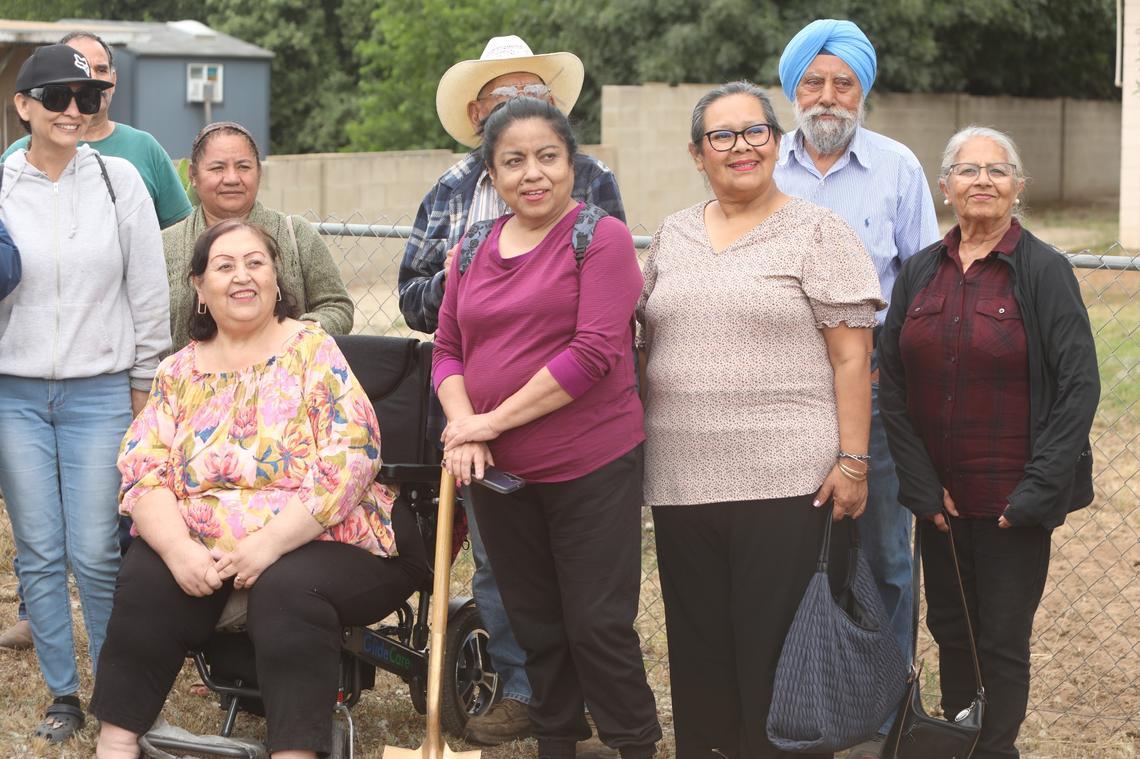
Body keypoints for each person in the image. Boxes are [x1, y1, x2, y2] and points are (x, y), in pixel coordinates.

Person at [91, 219, 429, 759]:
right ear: (199, 288)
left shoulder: (312, 351)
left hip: (329, 540)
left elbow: (350, 459)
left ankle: (294, 750)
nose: (241, 276)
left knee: (286, 587)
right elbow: (142, 470)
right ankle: (117, 742)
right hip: (206, 548)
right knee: (147, 574)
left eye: (255, 263)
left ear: (277, 281)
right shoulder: (177, 372)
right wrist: (179, 550)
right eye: (224, 266)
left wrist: (267, 544)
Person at [637, 81, 884, 759]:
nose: (740, 147)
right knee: (699, 651)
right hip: (683, 481)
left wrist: (854, 461)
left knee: (777, 655)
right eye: (722, 135)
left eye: (755, 132)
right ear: (697, 154)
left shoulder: (817, 231)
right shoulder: (674, 233)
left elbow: (851, 358)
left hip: (789, 482)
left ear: (777, 143)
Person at [398, 34, 626, 746]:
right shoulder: (448, 192)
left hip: (572, 424)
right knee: (505, 573)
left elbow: (601, 307)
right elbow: (417, 297)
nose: (522, 112)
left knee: (587, 592)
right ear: (477, 116)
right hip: (481, 422)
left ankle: (595, 708)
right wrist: (483, 273)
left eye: (534, 96)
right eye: (504, 101)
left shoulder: (588, 181)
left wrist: (522, 277)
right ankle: (528, 694)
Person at [433, 97, 659, 759]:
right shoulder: (472, 245)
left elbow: (594, 353)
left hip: (591, 464)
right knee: (533, 618)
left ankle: (632, 740)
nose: (533, 173)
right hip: (500, 473)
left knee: (596, 621)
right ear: (492, 175)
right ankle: (558, 737)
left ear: (571, 163)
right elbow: (447, 348)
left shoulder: (601, 237)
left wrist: (487, 420)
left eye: (547, 157)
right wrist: (464, 427)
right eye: (514, 161)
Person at [879, 127, 1099, 759]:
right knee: (952, 629)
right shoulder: (921, 271)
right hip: (940, 504)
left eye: (997, 171)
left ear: (1017, 188)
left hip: (1012, 504)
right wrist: (920, 488)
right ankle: (958, 740)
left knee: (1000, 639)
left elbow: (1078, 386)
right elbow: (892, 382)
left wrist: (1035, 493)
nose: (982, 181)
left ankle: (993, 750)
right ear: (945, 187)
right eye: (967, 170)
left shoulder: (1044, 270)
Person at [772, 23, 940, 756]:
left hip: (871, 395)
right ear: (792, 89)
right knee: (784, 550)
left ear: (864, 90)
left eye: (844, 82)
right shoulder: (760, 163)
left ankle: (880, 709)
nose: (829, 96)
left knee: (885, 556)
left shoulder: (898, 168)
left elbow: (924, 287)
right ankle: (794, 691)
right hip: (777, 399)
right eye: (814, 81)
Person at [0, 30, 194, 653]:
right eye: (57, 96)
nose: (73, 111)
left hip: (100, 393)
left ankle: (119, 690)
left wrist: (142, 384)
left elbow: (146, 291)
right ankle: (62, 693)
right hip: (16, 393)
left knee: (95, 549)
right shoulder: (2, 187)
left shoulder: (120, 182)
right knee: (37, 548)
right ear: (23, 105)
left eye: (86, 96)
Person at [163, 121, 353, 352]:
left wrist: (295, 337)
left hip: (286, 382)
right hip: (195, 383)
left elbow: (336, 306)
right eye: (217, 168)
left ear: (259, 172)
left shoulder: (296, 234)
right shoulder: (164, 246)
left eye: (243, 167)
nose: (232, 178)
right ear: (193, 175)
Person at [1, 31, 192, 229]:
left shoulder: (144, 149)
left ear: (114, 80)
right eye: (77, 68)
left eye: (100, 69)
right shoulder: (19, 157)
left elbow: (181, 232)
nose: (88, 78)